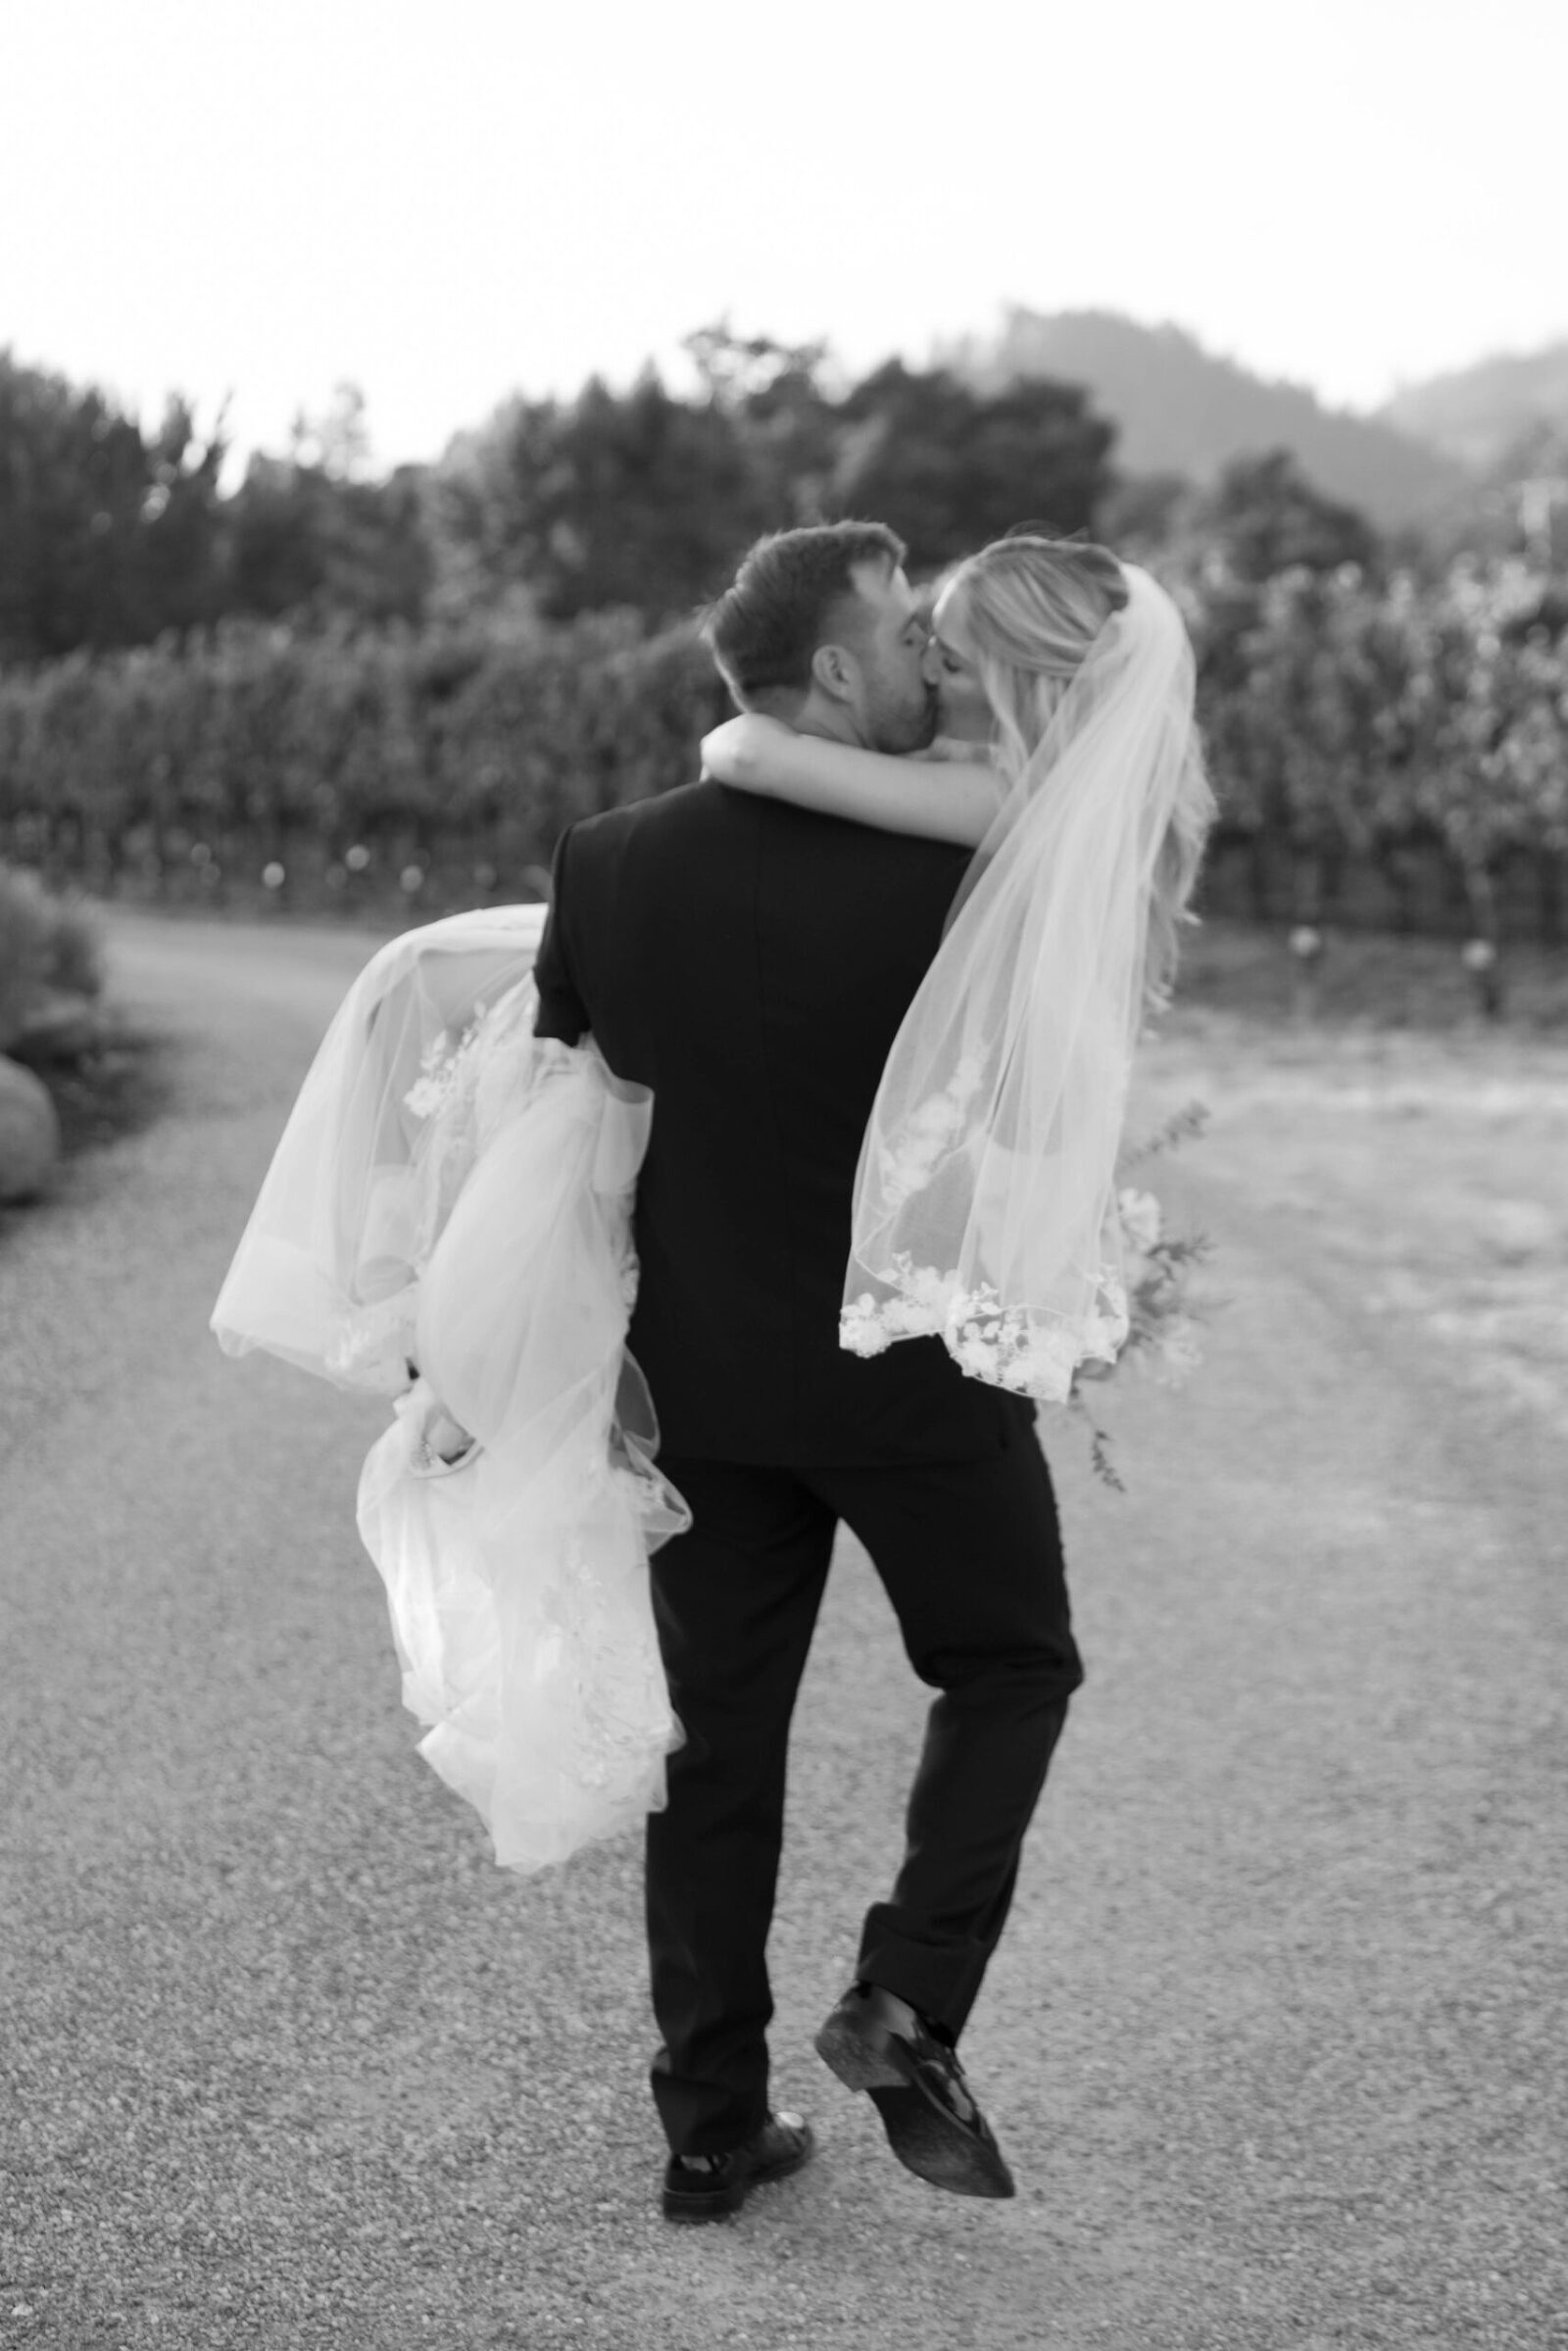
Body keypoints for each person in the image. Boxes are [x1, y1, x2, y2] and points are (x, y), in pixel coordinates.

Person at [531, 520, 1212, 2224]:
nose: (932, 663)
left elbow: (561, 1126)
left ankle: (707, 2130)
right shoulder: (994, 868)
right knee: (1011, 1664)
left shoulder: (610, 859)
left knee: (716, 1750)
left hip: (701, 1390)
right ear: (837, 668)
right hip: (913, 1376)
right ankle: (907, 1996)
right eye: (908, 638)